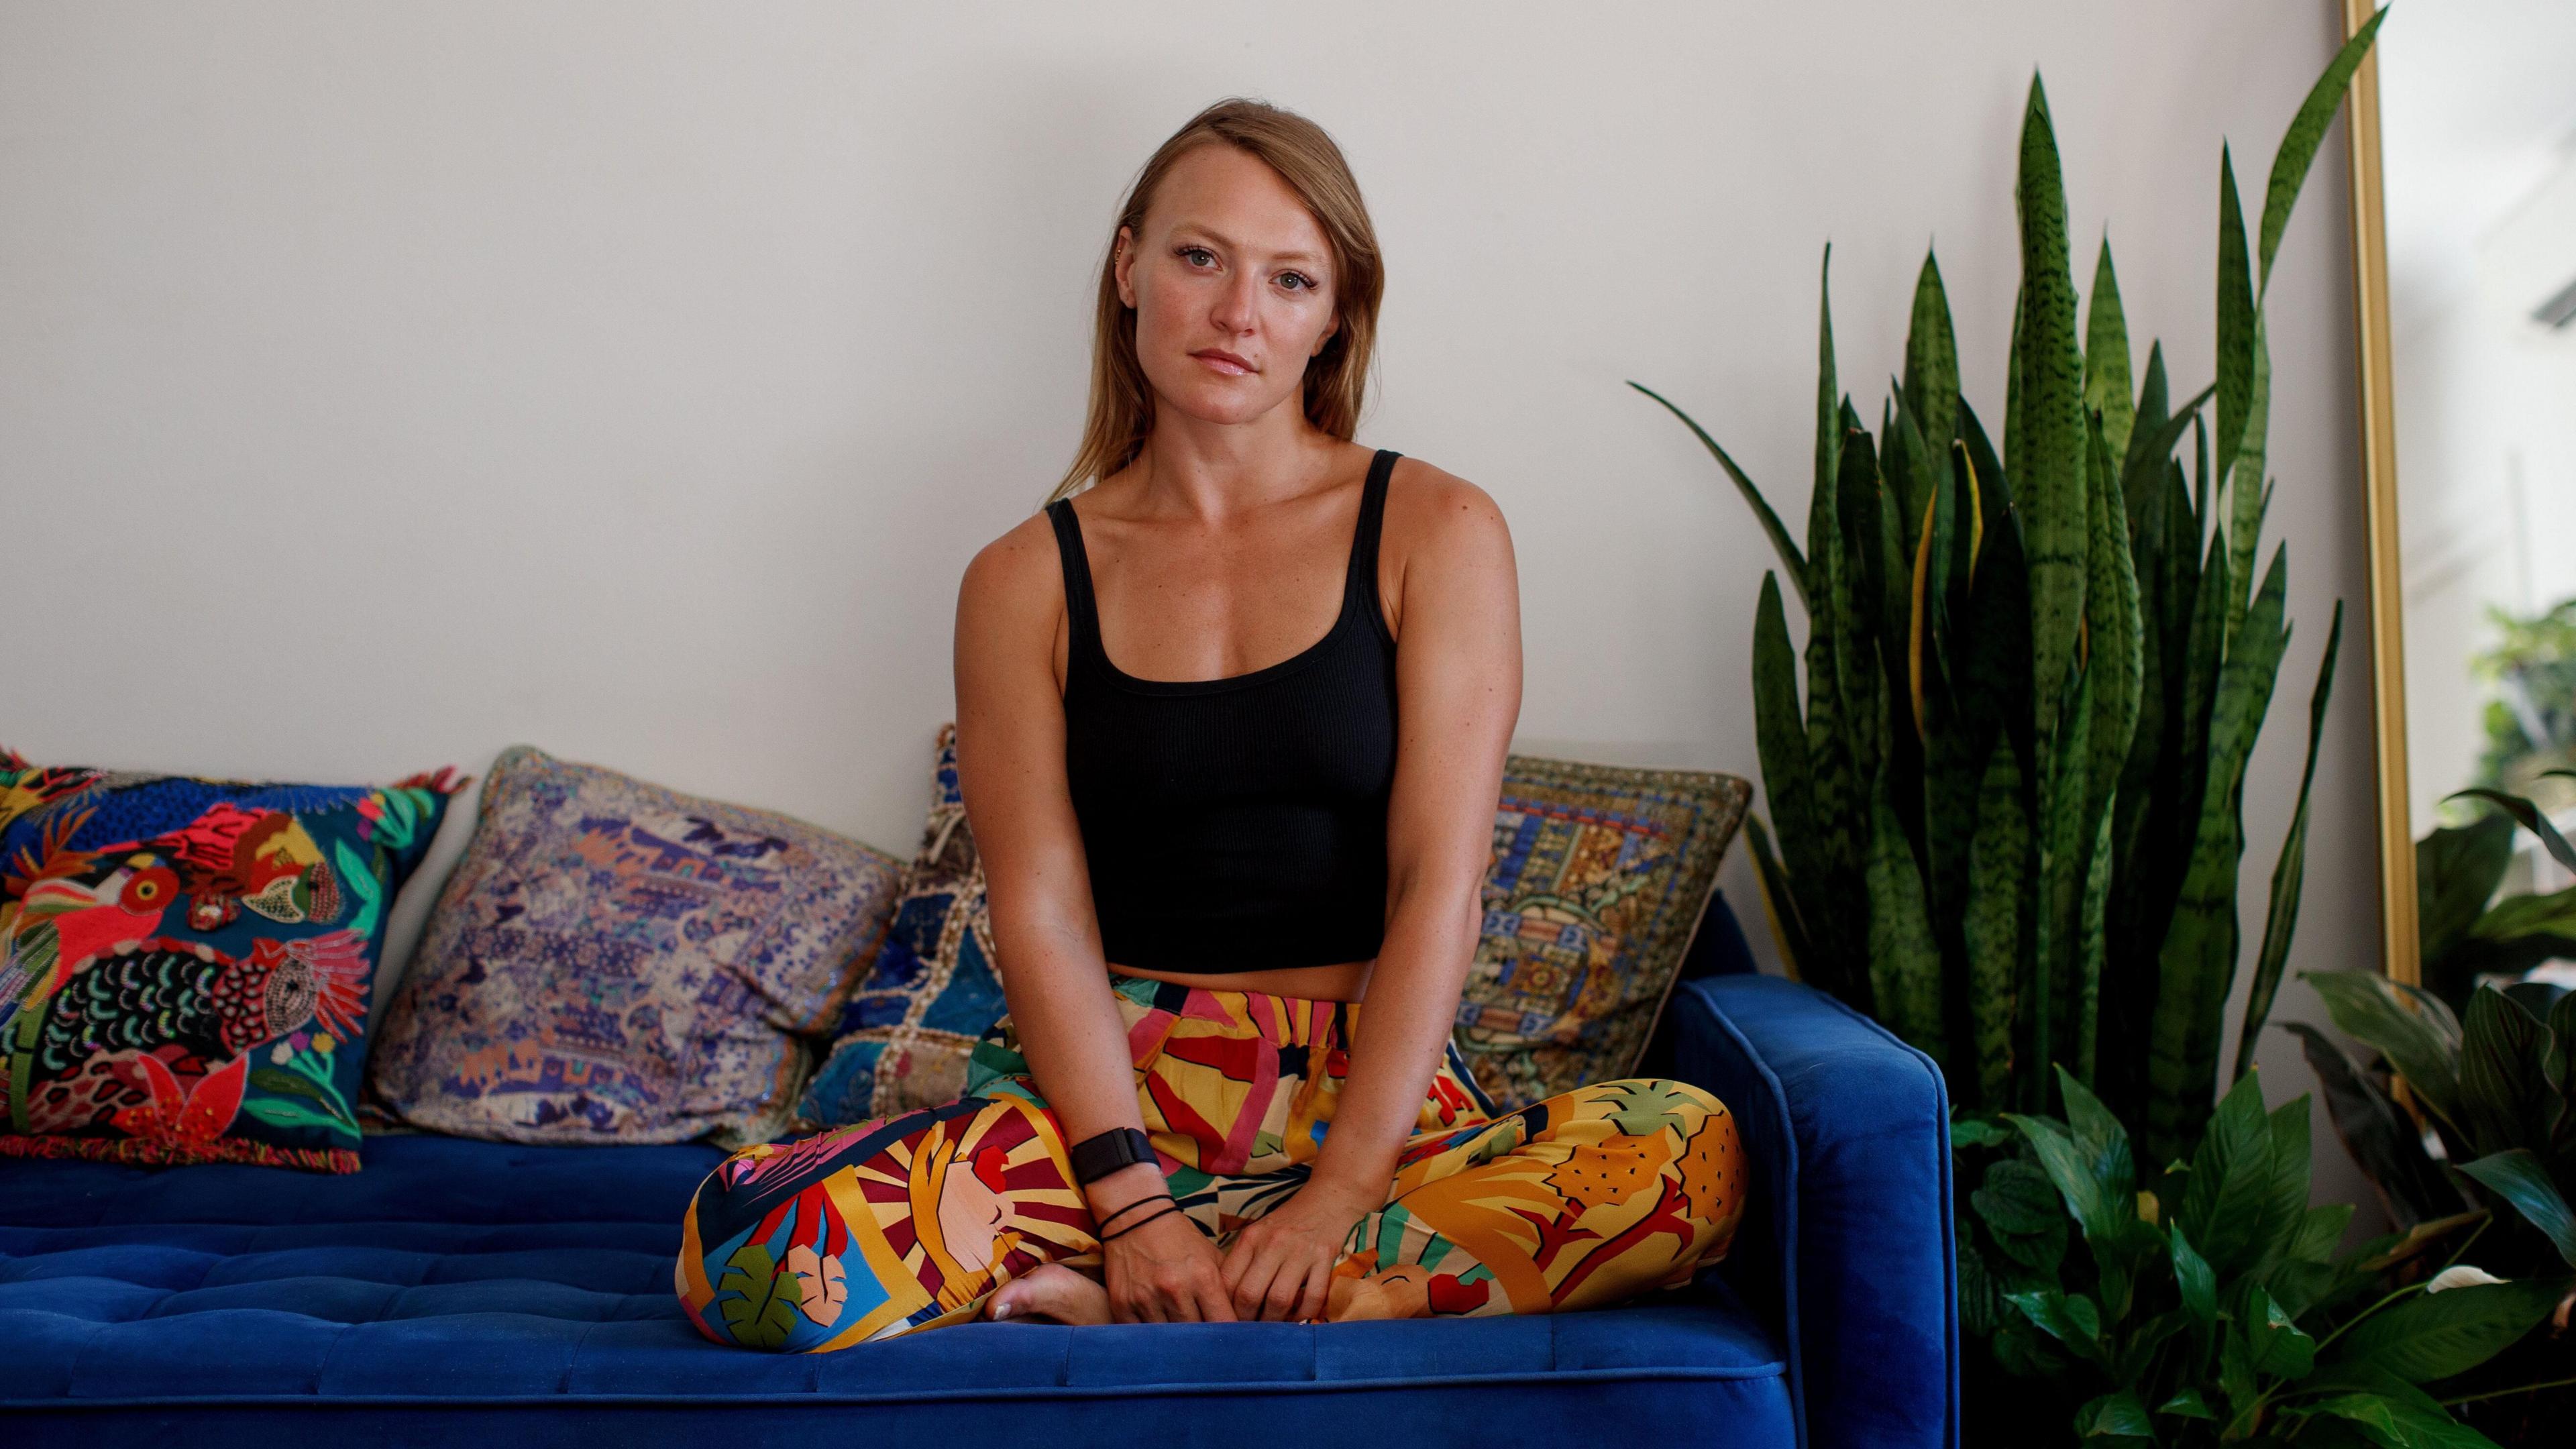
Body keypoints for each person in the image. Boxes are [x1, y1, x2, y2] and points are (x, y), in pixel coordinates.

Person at [677, 97, 1744, 1352]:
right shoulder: (1022, 577)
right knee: (745, 1249)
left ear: (1333, 315)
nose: (1241, 314)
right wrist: (1132, 1209)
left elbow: (1437, 891)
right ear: (1129, 267)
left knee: (1694, 1154)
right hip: (1107, 1115)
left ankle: (1203, 1309)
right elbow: (1042, 909)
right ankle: (1235, 1296)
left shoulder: (1437, 530)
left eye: (1291, 279)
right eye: (1201, 258)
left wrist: (1339, 1196)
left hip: (1374, 1110)